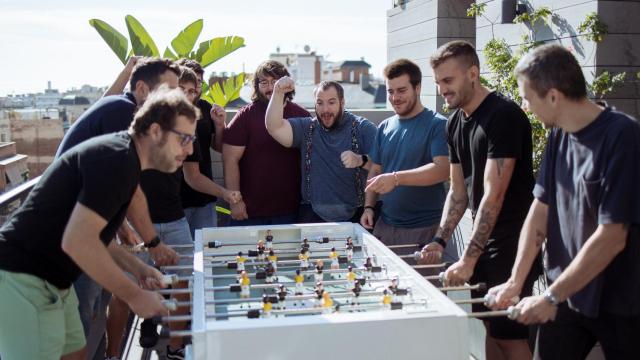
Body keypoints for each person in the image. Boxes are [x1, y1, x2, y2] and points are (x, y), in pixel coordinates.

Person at [0, 87, 197, 359]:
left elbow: (92, 237)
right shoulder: (116, 160)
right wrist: (134, 296)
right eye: (184, 138)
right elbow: (77, 241)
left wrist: (138, 269)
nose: (190, 149)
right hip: (25, 280)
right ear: (155, 131)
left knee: (76, 354)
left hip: (55, 281)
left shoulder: (125, 158)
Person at [488, 44, 640, 359]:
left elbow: (612, 236)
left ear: (554, 96)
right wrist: (516, 282)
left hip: (619, 302)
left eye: (528, 99)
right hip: (566, 296)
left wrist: (551, 298)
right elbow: (539, 211)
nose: (526, 108)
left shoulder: (623, 137)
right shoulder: (558, 136)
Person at [422, 40, 541, 359]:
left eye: (448, 80)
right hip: (484, 242)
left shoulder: (503, 116)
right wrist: (439, 239)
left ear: (472, 73)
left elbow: (494, 195)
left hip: (513, 244)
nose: (442, 89)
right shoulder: (454, 122)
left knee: (509, 335)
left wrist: (469, 259)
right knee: (483, 329)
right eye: (438, 83)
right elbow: (458, 192)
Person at [55, 58, 181, 355]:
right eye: (169, 91)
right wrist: (153, 243)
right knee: (82, 317)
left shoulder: (116, 107)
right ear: (141, 88)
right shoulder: (122, 112)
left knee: (82, 323)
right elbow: (130, 188)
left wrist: (122, 225)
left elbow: (110, 181)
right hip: (68, 235)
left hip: (84, 228)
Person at [360, 58, 455, 262]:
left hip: (424, 232)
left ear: (418, 87)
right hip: (385, 228)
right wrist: (368, 207)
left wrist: (396, 178)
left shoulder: (437, 125)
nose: (395, 97)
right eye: (390, 91)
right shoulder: (385, 127)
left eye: (401, 90)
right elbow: (375, 170)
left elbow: (443, 170)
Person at [266, 78, 377, 223]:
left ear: (342, 103)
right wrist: (278, 92)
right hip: (312, 214)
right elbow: (274, 127)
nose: (325, 110)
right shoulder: (306, 128)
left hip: (356, 214)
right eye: (320, 103)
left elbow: (382, 167)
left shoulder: (363, 128)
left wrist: (360, 160)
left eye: (331, 102)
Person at [223, 60, 310, 225]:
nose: (270, 87)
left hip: (291, 211)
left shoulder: (302, 115)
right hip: (249, 211)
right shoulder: (245, 116)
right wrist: (235, 202)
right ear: (256, 86)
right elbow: (230, 160)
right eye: (264, 82)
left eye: (275, 82)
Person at [176, 58, 227, 236]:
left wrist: (220, 125)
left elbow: (218, 147)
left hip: (204, 197)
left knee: (205, 255)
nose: (196, 87)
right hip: (175, 201)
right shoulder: (165, 113)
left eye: (199, 82)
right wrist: (226, 193)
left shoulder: (206, 108)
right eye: (191, 82)